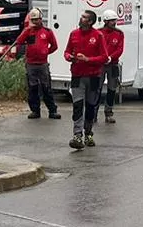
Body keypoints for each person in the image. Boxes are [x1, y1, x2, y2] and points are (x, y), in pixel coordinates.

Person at [63, 9, 107, 149]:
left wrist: (88, 59)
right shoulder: (74, 34)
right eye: (82, 16)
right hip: (77, 75)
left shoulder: (98, 35)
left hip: (93, 76)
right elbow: (66, 51)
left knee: (90, 106)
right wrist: (69, 57)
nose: (81, 18)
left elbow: (104, 57)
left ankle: (88, 133)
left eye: (84, 17)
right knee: (77, 105)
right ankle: (77, 135)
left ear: (90, 21)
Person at [9, 9, 60, 121]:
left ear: (41, 19)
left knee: (46, 88)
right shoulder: (28, 31)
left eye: (37, 19)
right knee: (33, 88)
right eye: (33, 20)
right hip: (31, 64)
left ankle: (52, 111)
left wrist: (46, 52)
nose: (35, 22)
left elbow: (54, 46)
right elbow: (19, 41)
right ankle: (35, 111)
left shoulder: (47, 32)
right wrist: (26, 30)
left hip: (43, 64)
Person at [98, 10, 125, 125]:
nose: (114, 22)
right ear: (105, 21)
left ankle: (108, 113)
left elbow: (120, 49)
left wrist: (111, 57)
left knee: (112, 89)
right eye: (111, 21)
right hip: (100, 65)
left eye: (115, 20)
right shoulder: (98, 32)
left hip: (113, 64)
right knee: (96, 88)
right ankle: (93, 113)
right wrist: (101, 58)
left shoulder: (119, 34)